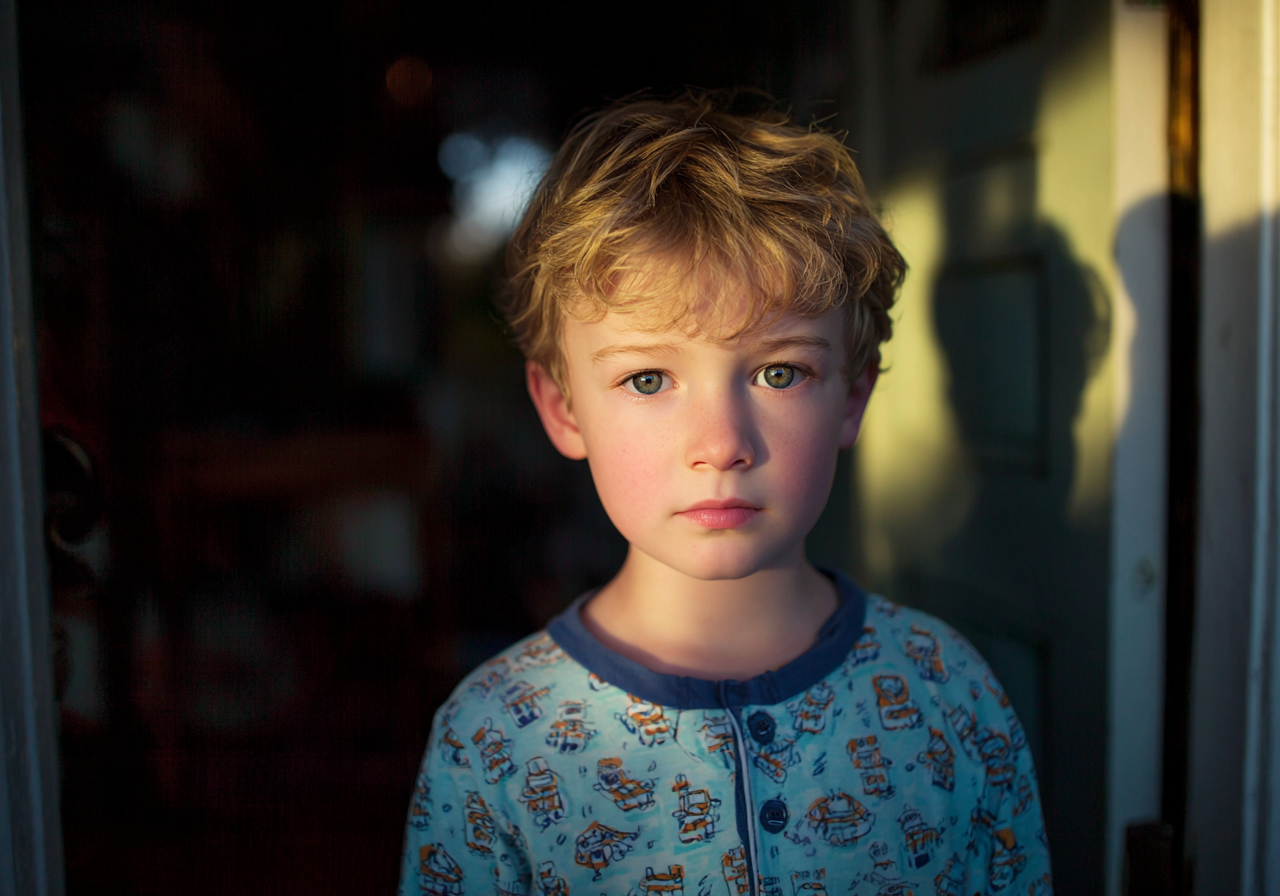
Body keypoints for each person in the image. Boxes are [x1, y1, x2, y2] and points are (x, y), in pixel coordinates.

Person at [398, 91, 1051, 896]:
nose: (721, 444)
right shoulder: (491, 739)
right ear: (563, 409)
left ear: (852, 396)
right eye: (648, 379)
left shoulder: (950, 693)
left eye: (780, 372)